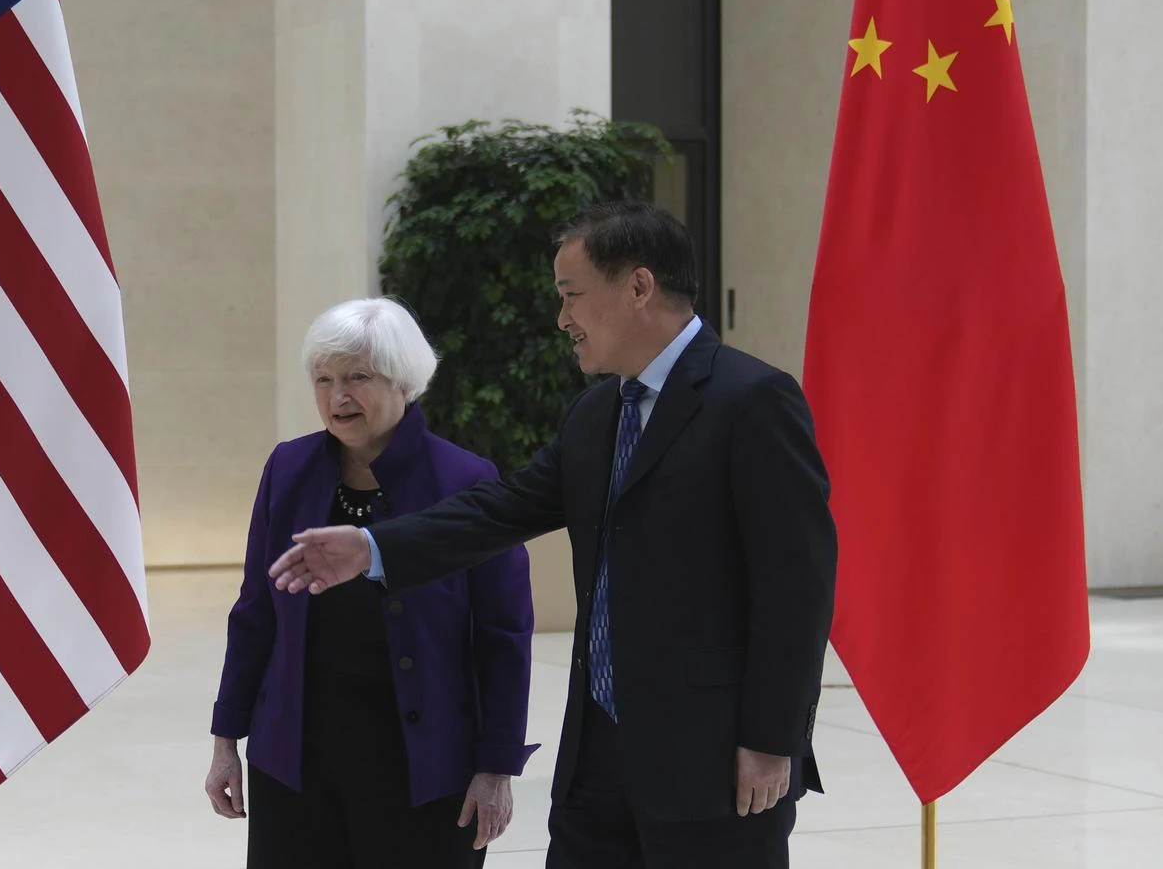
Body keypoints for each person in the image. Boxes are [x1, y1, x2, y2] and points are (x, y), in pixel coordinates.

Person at [270, 203, 837, 869]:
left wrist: (772, 738)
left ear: (638, 287)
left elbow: (796, 587)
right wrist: (373, 547)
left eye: (571, 295)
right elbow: (503, 507)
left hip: (711, 760)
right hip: (596, 760)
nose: (562, 318)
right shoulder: (595, 412)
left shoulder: (753, 400)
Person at [207, 297, 537, 868]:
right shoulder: (288, 468)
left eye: (358, 376)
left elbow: (503, 635)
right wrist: (226, 742)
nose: (338, 396)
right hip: (296, 757)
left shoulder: (465, 481)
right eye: (324, 379)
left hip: (424, 763)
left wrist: (496, 766)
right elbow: (255, 611)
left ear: (404, 382)